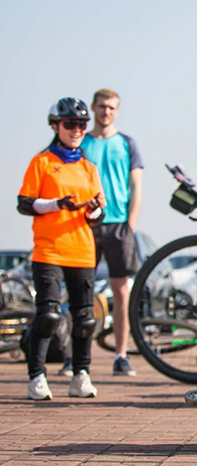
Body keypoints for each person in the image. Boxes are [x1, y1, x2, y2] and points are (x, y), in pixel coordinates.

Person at [17, 98, 105, 400]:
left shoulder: (88, 168)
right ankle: (37, 376)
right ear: (56, 126)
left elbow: (98, 216)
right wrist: (57, 204)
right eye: (70, 124)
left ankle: (81, 374)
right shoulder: (41, 163)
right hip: (49, 251)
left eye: (81, 125)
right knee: (49, 315)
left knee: (84, 319)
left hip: (82, 250)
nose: (77, 130)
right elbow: (25, 204)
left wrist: (92, 209)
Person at [80, 88, 144, 377]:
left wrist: (130, 222)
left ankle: (120, 355)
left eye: (111, 107)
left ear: (117, 111)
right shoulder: (80, 141)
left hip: (118, 223)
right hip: (85, 225)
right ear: (93, 107)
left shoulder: (127, 143)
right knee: (80, 291)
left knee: (121, 293)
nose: (106, 111)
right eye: (102, 106)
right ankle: (74, 357)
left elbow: (136, 185)